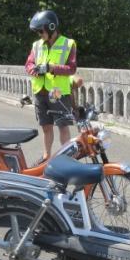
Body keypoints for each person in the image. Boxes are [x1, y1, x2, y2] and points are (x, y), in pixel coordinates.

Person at [25, 10, 77, 164]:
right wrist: (33, 69)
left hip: (57, 91)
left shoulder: (68, 43)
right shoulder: (37, 45)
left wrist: (53, 68)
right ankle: (47, 156)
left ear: (51, 27)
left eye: (41, 31)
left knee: (62, 126)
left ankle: (67, 159)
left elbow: (72, 69)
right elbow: (28, 64)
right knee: (46, 127)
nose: (39, 34)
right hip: (40, 91)